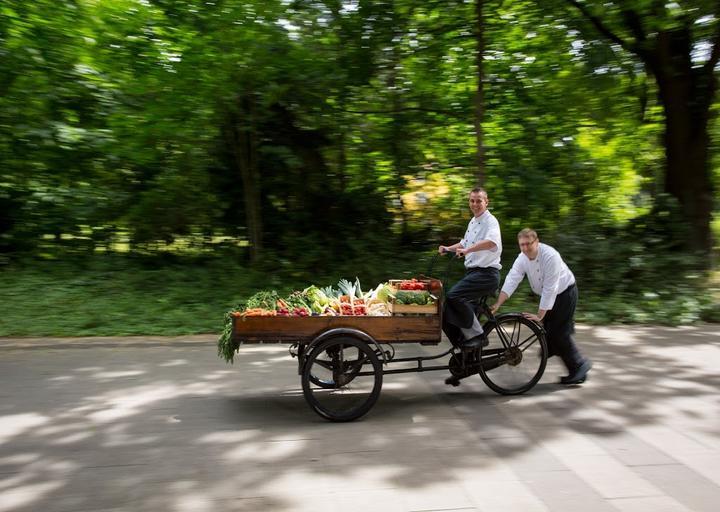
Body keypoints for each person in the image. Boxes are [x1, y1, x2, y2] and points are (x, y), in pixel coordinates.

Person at [491, 228, 591, 385]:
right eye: (521, 245)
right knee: (553, 334)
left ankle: (579, 365)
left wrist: (539, 315)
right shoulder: (522, 258)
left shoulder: (550, 256)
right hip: (550, 295)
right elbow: (512, 279)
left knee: (558, 333)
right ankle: (572, 366)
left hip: (565, 293)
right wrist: (498, 303)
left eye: (528, 244)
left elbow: (550, 288)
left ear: (536, 242)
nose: (524, 248)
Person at [438, 187, 502, 349]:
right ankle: (464, 346)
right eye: (472, 201)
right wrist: (447, 248)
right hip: (473, 273)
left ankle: (478, 337)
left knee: (454, 296)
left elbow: (491, 242)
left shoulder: (491, 221)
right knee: (446, 310)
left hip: (486, 274)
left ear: (486, 202)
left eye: (479, 200)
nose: (475, 204)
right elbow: (464, 243)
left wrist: (468, 250)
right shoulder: (473, 222)